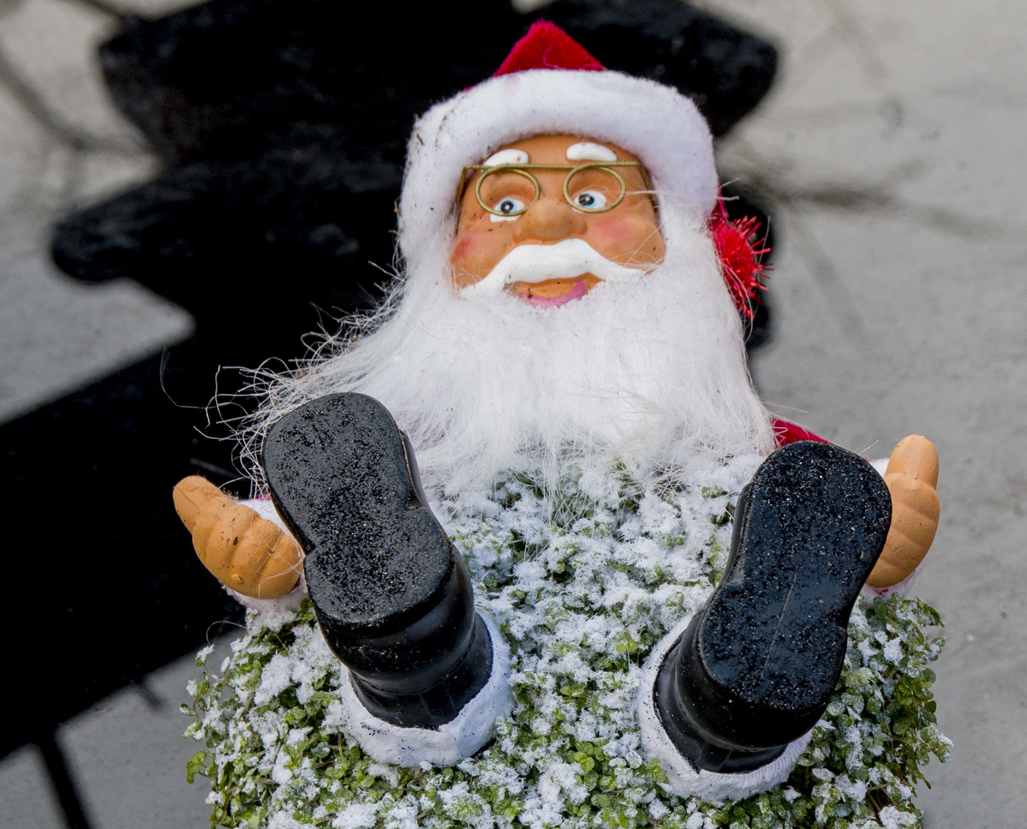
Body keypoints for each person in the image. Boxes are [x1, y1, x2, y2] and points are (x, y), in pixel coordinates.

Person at [173, 21, 940, 802]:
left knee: (793, 513)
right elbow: (303, 525)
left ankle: (736, 689)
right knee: (377, 560)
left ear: (673, 237)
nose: (546, 228)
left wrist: (869, 520)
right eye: (503, 202)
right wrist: (267, 547)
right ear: (449, 255)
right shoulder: (407, 446)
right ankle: (411, 643)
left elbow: (811, 497)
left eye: (592, 195)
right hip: (441, 667)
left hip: (669, 646)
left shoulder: (724, 441)